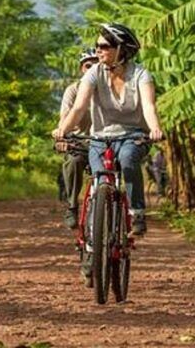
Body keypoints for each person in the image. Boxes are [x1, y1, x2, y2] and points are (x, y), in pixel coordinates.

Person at [53, 23, 164, 237]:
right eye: (97, 46)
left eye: (104, 46)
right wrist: (62, 130)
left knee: (129, 159)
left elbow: (149, 107)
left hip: (133, 136)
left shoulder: (140, 75)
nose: (98, 50)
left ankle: (137, 213)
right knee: (98, 179)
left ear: (121, 49)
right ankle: (94, 235)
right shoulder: (93, 73)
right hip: (99, 138)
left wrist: (155, 129)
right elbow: (79, 107)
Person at [56, 48, 98, 229]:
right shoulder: (73, 90)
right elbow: (65, 116)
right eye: (88, 65)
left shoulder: (111, 87)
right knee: (73, 162)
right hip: (80, 142)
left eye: (97, 65)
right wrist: (62, 134)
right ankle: (72, 205)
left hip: (106, 140)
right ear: (82, 69)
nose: (92, 68)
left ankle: (125, 209)